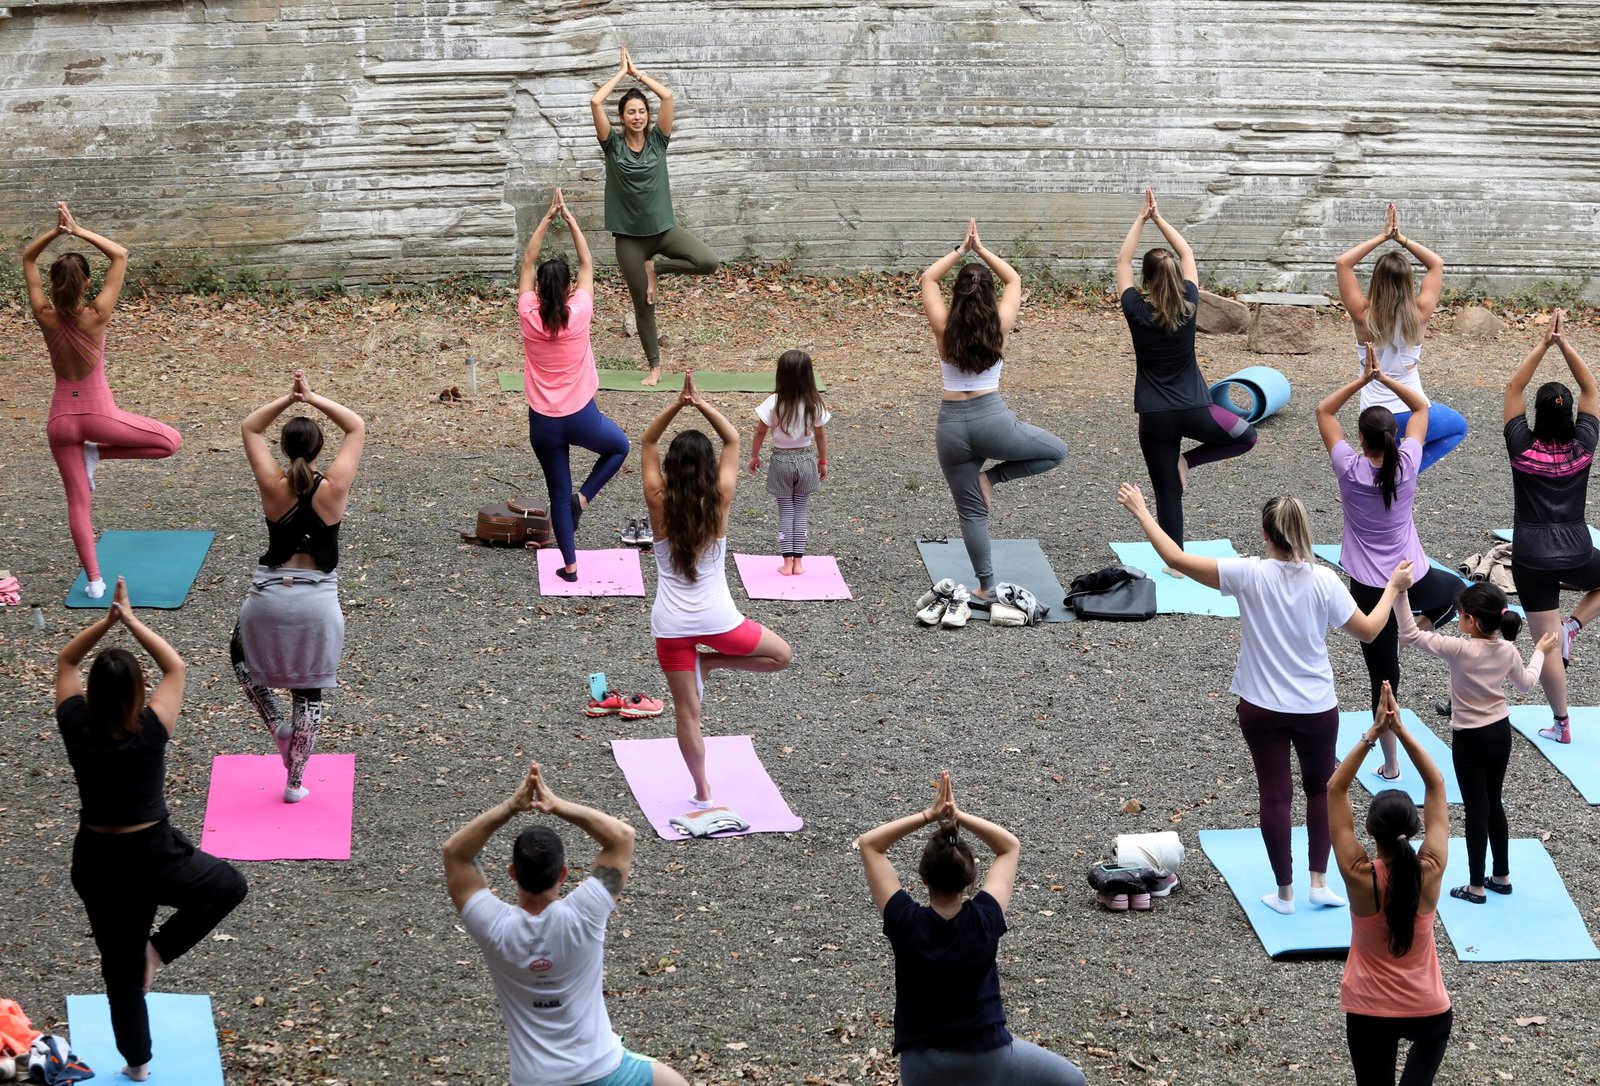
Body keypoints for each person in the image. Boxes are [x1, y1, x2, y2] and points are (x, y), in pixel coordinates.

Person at [1118, 484, 1408, 913]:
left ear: (1265, 534)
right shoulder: (1324, 580)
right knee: (1321, 791)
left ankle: (1285, 893)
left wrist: (1142, 512)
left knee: (1275, 796)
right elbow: (1368, 630)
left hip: (1261, 707)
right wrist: (1393, 588)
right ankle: (1319, 883)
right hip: (1316, 708)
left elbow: (1175, 559)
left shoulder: (1247, 573)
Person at [56, 578, 248, 1082]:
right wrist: (131, 619)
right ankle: (156, 952)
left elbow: (66, 664)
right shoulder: (150, 726)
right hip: (154, 852)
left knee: (119, 975)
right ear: (138, 693)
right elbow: (175, 666)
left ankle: (137, 1066)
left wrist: (103, 623)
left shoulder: (76, 724)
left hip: (98, 859)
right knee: (228, 886)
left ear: (93, 693)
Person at [444, 761, 689, 1086]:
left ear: (512, 873)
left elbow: (455, 854)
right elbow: (622, 837)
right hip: (604, 1071)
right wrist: (557, 805)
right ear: (564, 873)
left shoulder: (491, 925)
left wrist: (509, 808)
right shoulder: (585, 913)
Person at [857, 770, 1086, 1086]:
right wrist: (959, 815)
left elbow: (869, 844)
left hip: (921, 1066)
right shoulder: (985, 918)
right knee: (1072, 1080)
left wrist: (929, 815)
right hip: (987, 1057)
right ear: (970, 881)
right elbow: (1009, 846)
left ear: (924, 878)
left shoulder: (904, 921)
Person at [642, 372, 792, 807]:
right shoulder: (719, 498)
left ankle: (702, 791)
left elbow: (647, 443)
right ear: (708, 469)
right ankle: (710, 663)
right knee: (781, 656)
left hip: (670, 625)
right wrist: (700, 404)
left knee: (688, 714)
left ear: (672, 468)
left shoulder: (657, 499)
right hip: (718, 621)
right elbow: (732, 441)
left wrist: (676, 405)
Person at [23, 202, 182, 599]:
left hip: (59, 422)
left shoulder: (44, 313)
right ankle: (98, 453)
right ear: (87, 282)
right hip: (98, 417)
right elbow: (121, 254)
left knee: (78, 503)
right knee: (170, 442)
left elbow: (27, 258)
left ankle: (95, 582)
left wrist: (54, 233)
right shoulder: (97, 313)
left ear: (54, 284)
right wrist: (77, 230)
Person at [1316, 350, 1458, 778]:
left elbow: (1323, 410)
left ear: (1361, 440)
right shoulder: (1409, 463)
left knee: (1384, 679)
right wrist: (1387, 379)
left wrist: (1364, 379)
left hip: (1368, 586)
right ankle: (1414, 630)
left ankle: (1392, 765)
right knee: (1458, 594)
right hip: (1410, 575)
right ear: (1394, 436)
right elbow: (1421, 407)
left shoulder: (1348, 467)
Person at [232, 372, 365, 802]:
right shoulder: (334, 487)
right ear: (318, 449)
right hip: (316, 602)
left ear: (284, 449)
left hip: (267, 597)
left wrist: (286, 400)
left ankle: (276, 724)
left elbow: (250, 426)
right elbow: (356, 425)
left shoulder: (273, 486)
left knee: (239, 654)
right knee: (309, 690)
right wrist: (312, 397)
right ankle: (294, 783)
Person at [921, 219, 1067, 607]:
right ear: (989, 295)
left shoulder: (944, 325)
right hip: (992, 420)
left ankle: (985, 585)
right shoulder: (999, 324)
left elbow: (928, 279)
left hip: (950, 426)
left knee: (971, 514)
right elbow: (1014, 280)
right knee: (1057, 451)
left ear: (958, 294)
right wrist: (981, 249)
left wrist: (960, 249)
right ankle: (993, 479)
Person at [1393, 573, 1553, 903]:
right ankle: (1502, 876)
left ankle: (1476, 886)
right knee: (1493, 802)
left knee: (1475, 809)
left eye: (1461, 615)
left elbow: (1408, 633)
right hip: (1500, 732)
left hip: (1470, 738)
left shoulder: (1459, 649)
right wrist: (1539, 651)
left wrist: (1400, 591)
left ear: (1473, 621)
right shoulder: (1507, 650)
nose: (1458, 620)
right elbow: (1526, 684)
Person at [1116, 187, 1256, 559]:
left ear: (1146, 281)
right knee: (1247, 436)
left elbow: (1122, 262)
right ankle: (1187, 461)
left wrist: (1140, 219)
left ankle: (1176, 562)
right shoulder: (1190, 304)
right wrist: (1159, 218)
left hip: (1155, 417)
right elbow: (1187, 252)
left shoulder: (1136, 310)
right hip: (1196, 409)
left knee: (1167, 492)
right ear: (1178, 278)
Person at [1328, 682, 1451, 1086]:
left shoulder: (1359, 877)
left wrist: (1373, 733)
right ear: (1414, 830)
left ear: (1370, 832)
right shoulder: (1429, 869)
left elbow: (1335, 789)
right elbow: (1436, 785)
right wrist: (1400, 730)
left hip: (1369, 1010)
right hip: (1429, 1011)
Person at [591, 46, 720, 387]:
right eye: (630, 112)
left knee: (708, 262)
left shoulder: (659, 141)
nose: (637, 116)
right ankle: (655, 367)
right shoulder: (613, 146)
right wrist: (620, 74)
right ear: (622, 117)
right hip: (629, 239)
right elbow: (595, 102)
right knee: (643, 302)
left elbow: (667, 96)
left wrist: (639, 74)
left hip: (663, 231)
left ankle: (656, 268)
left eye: (641, 111)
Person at [518, 188, 630, 580]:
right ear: (567, 289)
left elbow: (528, 260)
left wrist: (545, 218)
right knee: (620, 447)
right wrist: (570, 219)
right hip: (582, 415)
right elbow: (587, 263)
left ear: (538, 291)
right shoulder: (579, 311)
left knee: (557, 494)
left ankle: (570, 565)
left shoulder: (528, 313)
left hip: (543, 424)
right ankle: (584, 498)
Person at [1502, 309, 1600, 745]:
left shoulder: (1522, 446)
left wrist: (1543, 344)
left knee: (1545, 642)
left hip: (1530, 556)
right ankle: (1575, 625)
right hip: (1577, 549)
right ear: (1571, 418)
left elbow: (1513, 387)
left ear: (1537, 417)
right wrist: (1566, 343)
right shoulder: (1583, 447)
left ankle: (1562, 724)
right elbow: (1591, 388)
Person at [1334, 203, 1467, 471]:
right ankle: (1408, 471)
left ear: (1375, 282)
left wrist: (1383, 236)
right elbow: (1436, 264)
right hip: (1411, 411)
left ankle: (1387, 473)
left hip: (1373, 417)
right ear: (1408, 284)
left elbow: (1343, 262)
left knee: (1379, 461)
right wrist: (1401, 238)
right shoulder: (1419, 314)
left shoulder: (1362, 315)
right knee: (1458, 428)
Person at [746, 349, 831, 575]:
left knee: (785, 511)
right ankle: (799, 562)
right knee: (801, 510)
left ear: (781, 374)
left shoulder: (774, 402)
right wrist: (822, 461)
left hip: (781, 461)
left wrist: (754, 456)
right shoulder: (815, 403)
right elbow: (821, 435)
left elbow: (760, 432)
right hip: (805, 459)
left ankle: (786, 562)